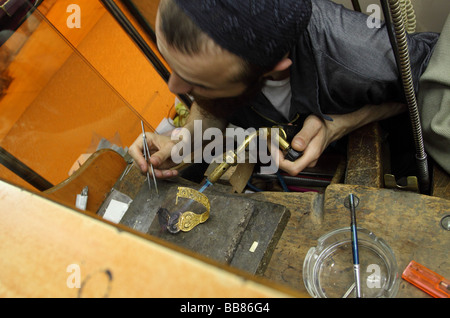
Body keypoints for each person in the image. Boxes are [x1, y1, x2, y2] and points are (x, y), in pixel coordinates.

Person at [129, 0, 438, 180]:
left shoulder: (359, 56)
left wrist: (340, 124)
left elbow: (430, 84)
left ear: (275, 66)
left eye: (199, 82)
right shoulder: (226, 62)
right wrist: (182, 139)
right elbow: (213, 105)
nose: (173, 87)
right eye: (173, 66)